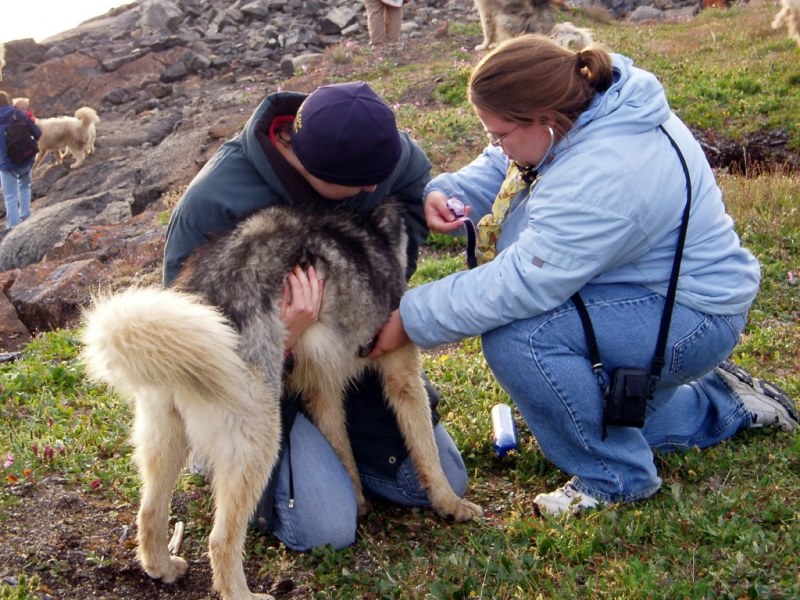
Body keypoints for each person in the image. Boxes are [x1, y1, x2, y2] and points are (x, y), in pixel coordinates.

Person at [371, 35, 799, 516]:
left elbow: (521, 282)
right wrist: (449, 189)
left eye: (499, 132)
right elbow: (507, 161)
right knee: (589, 414)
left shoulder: (606, 173)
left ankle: (616, 477)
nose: (495, 144)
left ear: (546, 121)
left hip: (691, 314)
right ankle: (726, 401)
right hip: (642, 289)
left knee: (520, 339)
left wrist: (408, 317)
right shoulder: (585, 106)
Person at [163, 81, 470, 550]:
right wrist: (284, 339)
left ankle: (346, 464)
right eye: (361, 184)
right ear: (309, 167)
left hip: (347, 350)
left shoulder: (365, 145)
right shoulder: (214, 200)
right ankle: (222, 460)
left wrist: (385, 289)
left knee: (442, 481)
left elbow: (409, 186)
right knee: (326, 529)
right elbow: (185, 338)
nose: (373, 187)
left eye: (379, 175)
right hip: (258, 385)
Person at [0, 90, 41, 230]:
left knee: (10, 196)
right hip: (25, 158)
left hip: (6, 164)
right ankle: (25, 215)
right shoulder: (18, 113)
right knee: (24, 186)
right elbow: (37, 132)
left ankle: (14, 226)